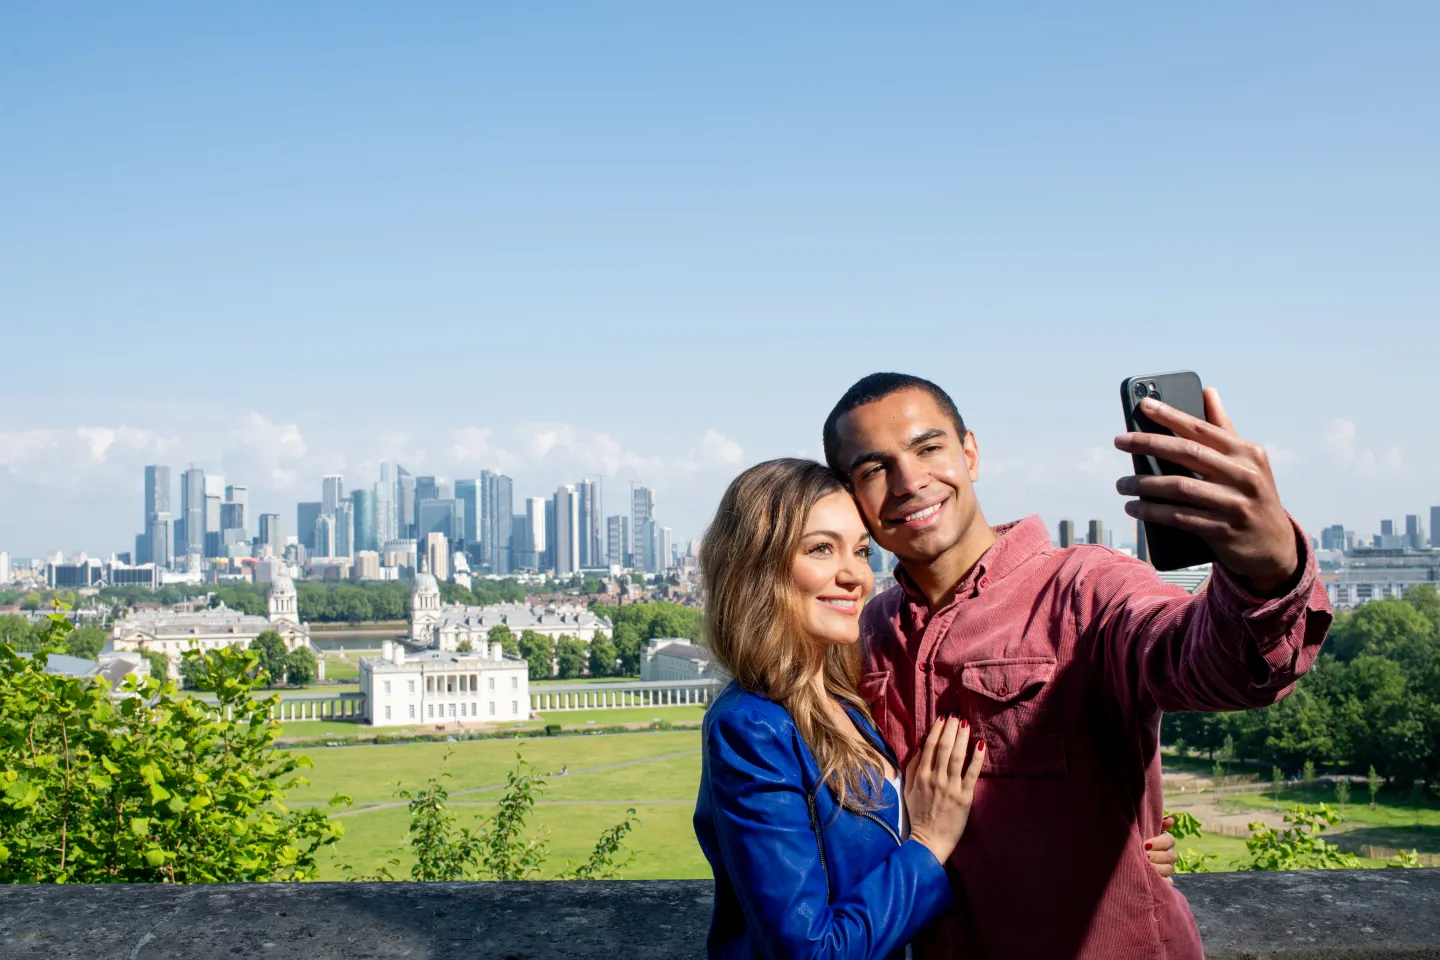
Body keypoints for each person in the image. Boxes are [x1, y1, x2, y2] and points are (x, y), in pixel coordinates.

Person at [822, 373, 1332, 959]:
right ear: (849, 497)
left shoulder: (1086, 589)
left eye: (928, 448)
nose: (910, 482)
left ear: (969, 452)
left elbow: (1215, 664)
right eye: (873, 469)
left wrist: (1267, 569)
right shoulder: (865, 632)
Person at [692, 459, 1178, 959]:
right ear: (756, 567)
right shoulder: (751, 726)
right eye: (821, 549)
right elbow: (811, 951)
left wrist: (1121, 847)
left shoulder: (842, 698)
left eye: (860, 551)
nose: (854, 575)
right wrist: (927, 843)